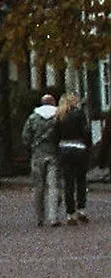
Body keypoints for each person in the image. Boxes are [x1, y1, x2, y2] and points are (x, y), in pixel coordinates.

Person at [22, 92, 60, 228]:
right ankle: (53, 217)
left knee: (38, 187)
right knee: (53, 186)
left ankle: (40, 217)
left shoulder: (32, 118)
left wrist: (31, 148)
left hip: (37, 155)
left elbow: (25, 137)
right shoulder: (58, 117)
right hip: (53, 154)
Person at [55, 91, 91, 225]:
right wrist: (88, 145)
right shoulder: (79, 114)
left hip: (64, 149)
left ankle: (70, 213)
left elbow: (56, 134)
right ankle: (81, 209)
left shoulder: (60, 115)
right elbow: (86, 132)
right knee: (81, 180)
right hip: (79, 148)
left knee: (68, 182)